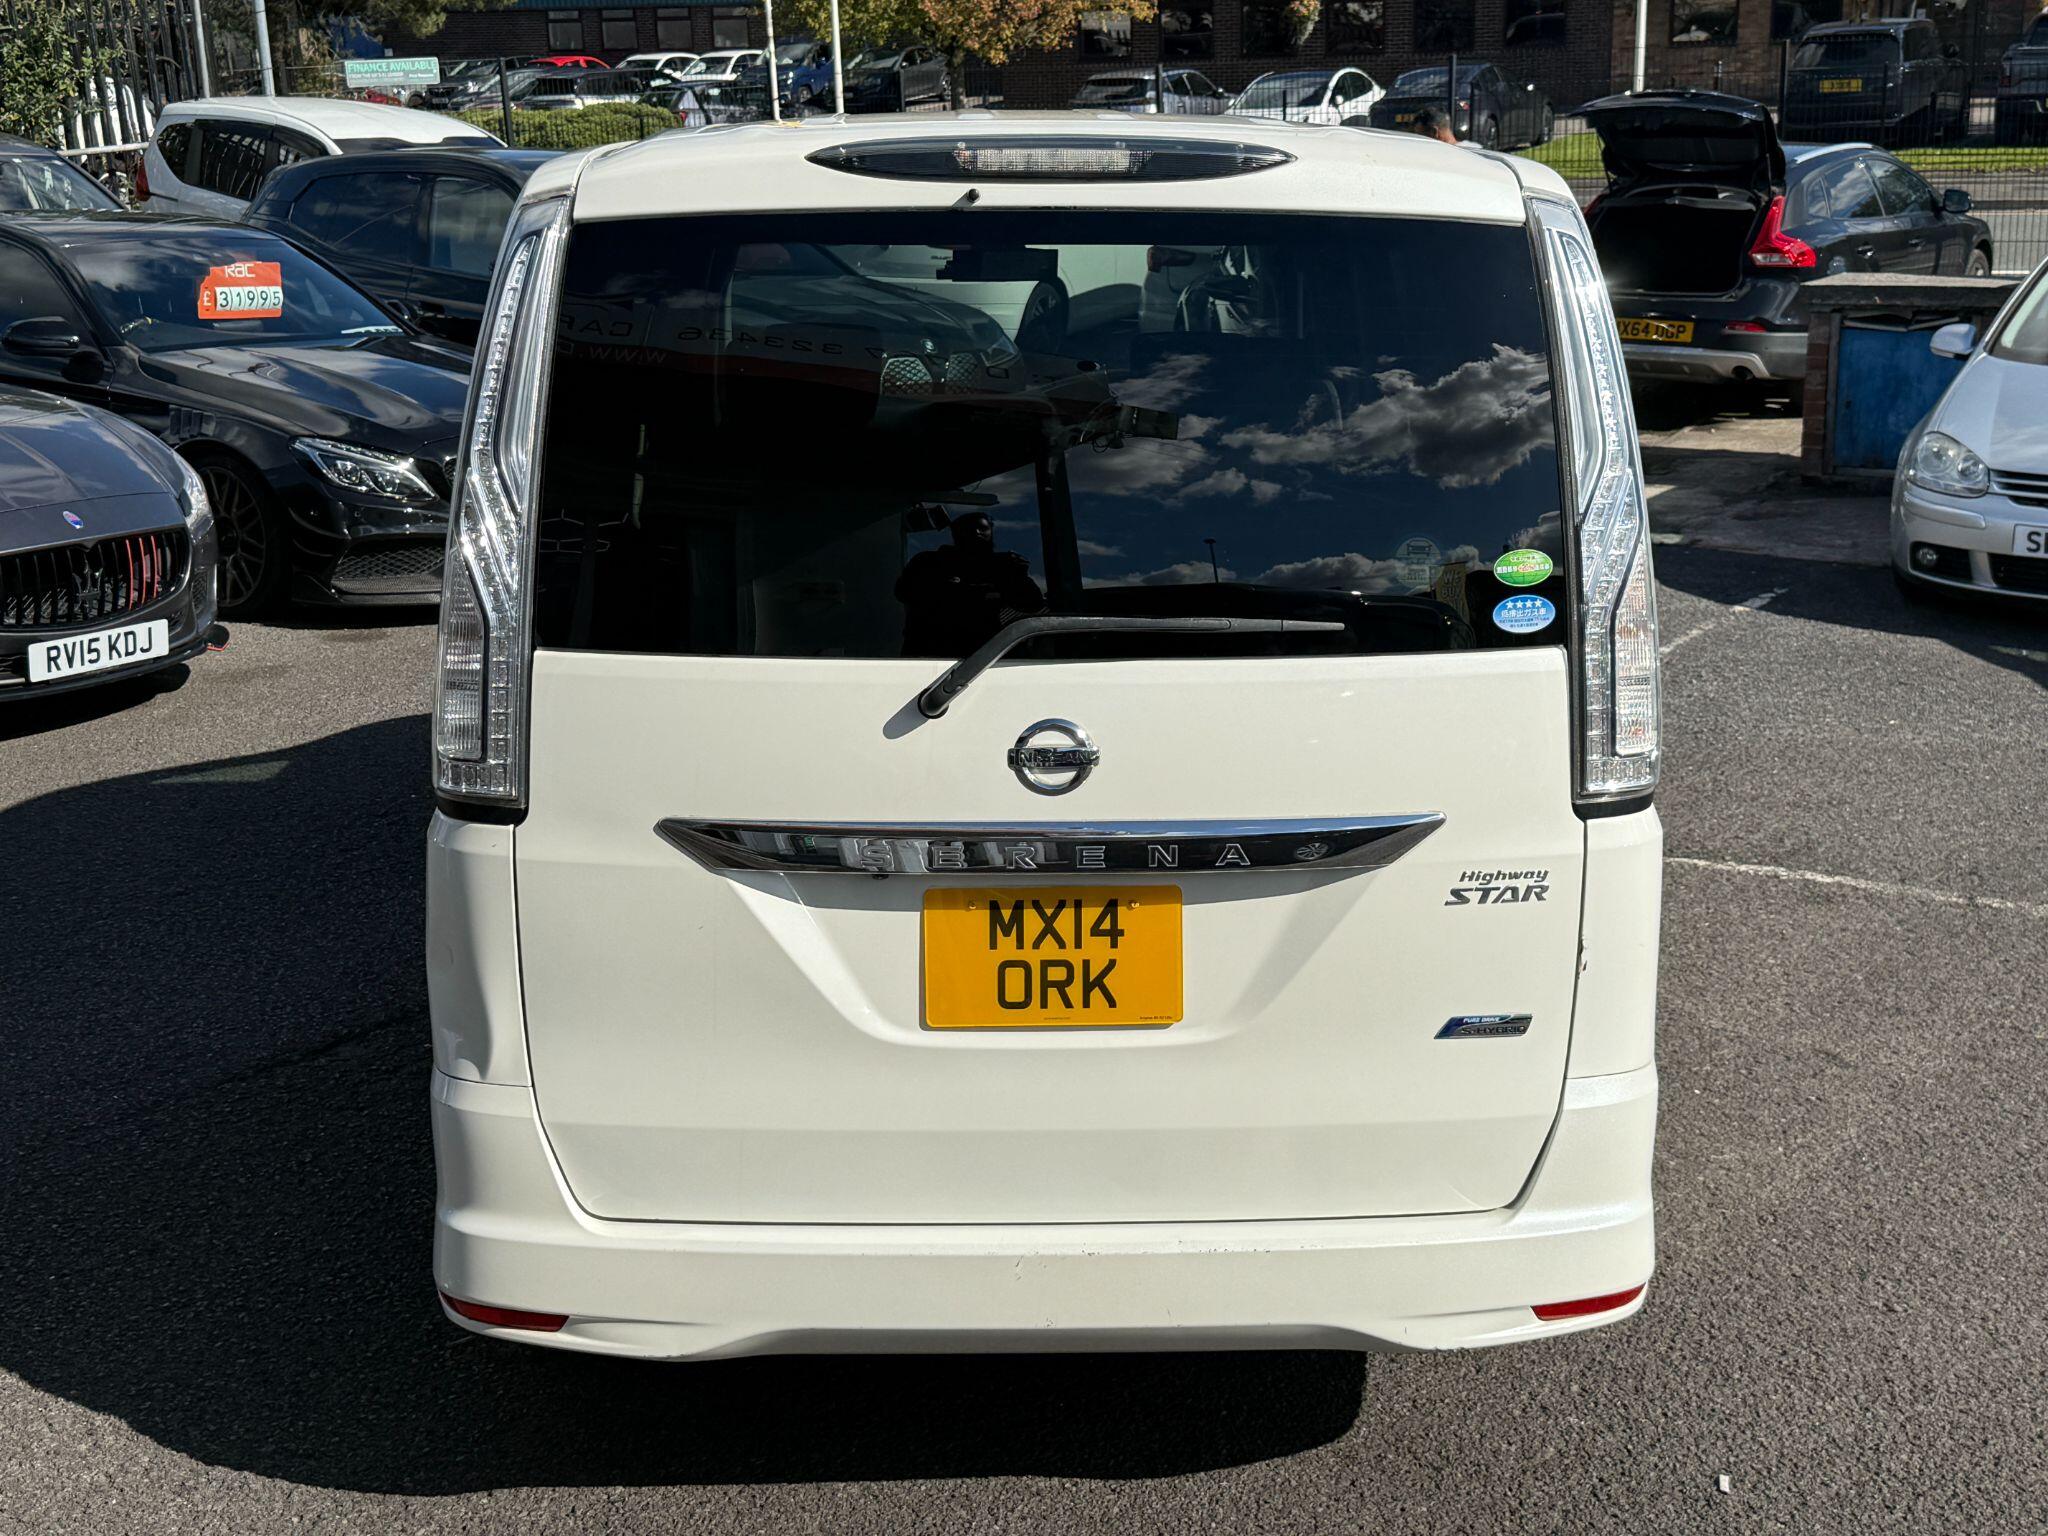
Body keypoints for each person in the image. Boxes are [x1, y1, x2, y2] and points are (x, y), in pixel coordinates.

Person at [895, 510, 1045, 656]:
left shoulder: (999, 568)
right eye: (969, 529)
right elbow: (904, 592)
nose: (977, 533)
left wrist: (1019, 575)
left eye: (983, 528)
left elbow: (1032, 604)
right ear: (956, 534)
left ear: (991, 532)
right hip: (931, 652)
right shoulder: (929, 562)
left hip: (982, 656)